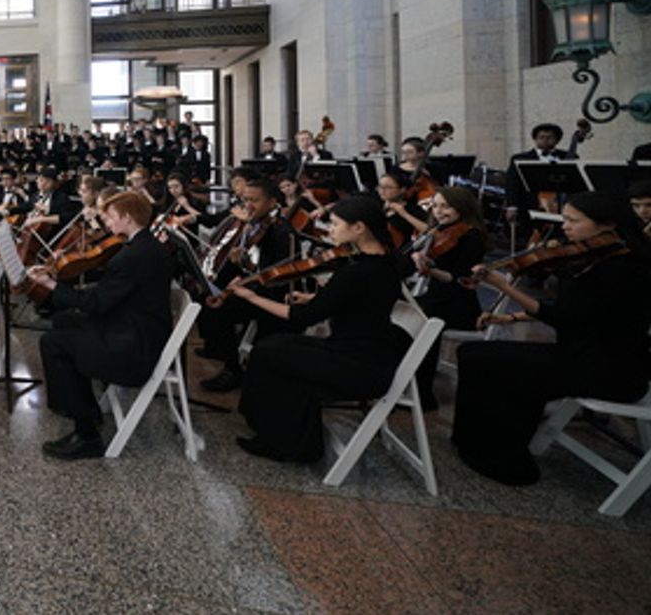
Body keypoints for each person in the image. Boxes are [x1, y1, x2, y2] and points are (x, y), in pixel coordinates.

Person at [454, 192, 651, 485]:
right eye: (564, 219)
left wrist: (504, 287)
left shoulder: (624, 269)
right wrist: (510, 318)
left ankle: (506, 460)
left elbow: (564, 317)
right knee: (471, 353)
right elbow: (575, 311)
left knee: (500, 367)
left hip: (609, 370)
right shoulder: (597, 258)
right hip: (580, 353)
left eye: (573, 221)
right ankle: (471, 441)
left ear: (608, 225)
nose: (565, 227)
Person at [225, 194, 409, 462]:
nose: (329, 230)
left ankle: (286, 444)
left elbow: (300, 318)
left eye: (335, 224)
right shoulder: (386, 262)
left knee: (268, 352)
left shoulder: (355, 272)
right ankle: (269, 426)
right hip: (370, 352)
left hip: (357, 365)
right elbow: (363, 301)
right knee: (276, 343)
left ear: (359, 228)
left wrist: (252, 297)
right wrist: (315, 297)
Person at [26, 190, 172, 459]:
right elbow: (112, 290)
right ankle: (85, 407)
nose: (106, 222)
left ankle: (86, 434)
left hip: (133, 348)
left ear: (127, 217)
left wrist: (51, 285)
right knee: (63, 319)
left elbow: (96, 303)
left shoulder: (133, 256)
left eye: (111, 217)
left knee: (53, 343)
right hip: (139, 327)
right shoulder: (146, 245)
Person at [196, 178, 295, 393]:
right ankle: (219, 349)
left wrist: (243, 267)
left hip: (270, 295)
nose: (248, 205)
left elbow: (270, 274)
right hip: (253, 284)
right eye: (245, 200)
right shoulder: (256, 222)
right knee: (207, 295)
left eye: (254, 201)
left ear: (272, 202)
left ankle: (233, 369)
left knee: (219, 310)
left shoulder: (280, 231)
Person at [407, 186, 489, 410]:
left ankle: (422, 394)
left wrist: (430, 270)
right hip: (436, 298)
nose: (438, 211)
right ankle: (403, 380)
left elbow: (457, 279)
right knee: (404, 312)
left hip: (459, 305)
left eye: (446, 206)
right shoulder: (440, 231)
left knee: (423, 322)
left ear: (462, 207)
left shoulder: (472, 237)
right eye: (435, 206)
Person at [503, 123, 571, 224]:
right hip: (528, 206)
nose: (545, 140)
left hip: (560, 206)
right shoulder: (520, 158)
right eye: (541, 137)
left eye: (549, 137)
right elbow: (512, 183)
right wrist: (512, 206)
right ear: (535, 139)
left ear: (557, 140)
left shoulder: (568, 156)